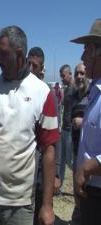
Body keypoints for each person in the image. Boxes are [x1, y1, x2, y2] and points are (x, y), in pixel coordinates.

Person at [0, 26, 59, 225]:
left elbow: (49, 149)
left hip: (20, 204)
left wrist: (47, 205)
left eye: (3, 54)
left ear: (20, 55)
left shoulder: (42, 92)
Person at [27, 47, 61, 225]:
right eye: (29, 64)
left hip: (42, 171)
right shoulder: (21, 91)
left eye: (36, 65)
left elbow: (55, 140)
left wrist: (56, 174)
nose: (31, 68)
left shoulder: (48, 96)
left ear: (42, 69)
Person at [71, 18, 101, 225]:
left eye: (87, 49)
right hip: (90, 192)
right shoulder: (94, 93)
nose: (83, 56)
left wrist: (88, 167)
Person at [70, 63, 88, 225]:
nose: (79, 77)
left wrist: (83, 121)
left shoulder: (94, 95)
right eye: (77, 73)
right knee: (77, 191)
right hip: (76, 151)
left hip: (90, 158)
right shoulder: (76, 96)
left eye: (82, 73)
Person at [59, 64, 75, 185]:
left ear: (70, 74)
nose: (62, 78)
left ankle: (78, 182)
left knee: (70, 161)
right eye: (61, 76)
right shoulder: (67, 88)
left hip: (70, 130)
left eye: (63, 76)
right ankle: (58, 187)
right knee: (61, 159)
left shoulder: (75, 89)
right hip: (64, 128)